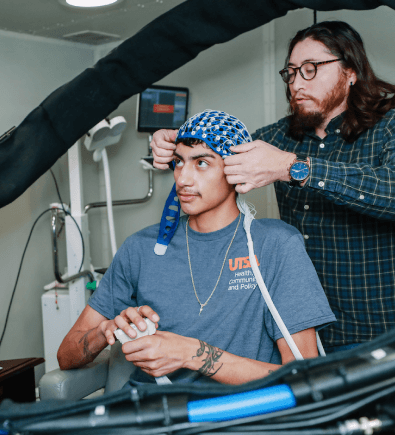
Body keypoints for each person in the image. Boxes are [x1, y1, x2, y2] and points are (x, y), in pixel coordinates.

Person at [151, 21, 395, 354]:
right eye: (290, 73)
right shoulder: (277, 137)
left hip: (390, 331)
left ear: (350, 71)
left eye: (310, 69)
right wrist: (171, 145)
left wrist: (293, 169)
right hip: (306, 333)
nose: (296, 84)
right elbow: (209, 154)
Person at [58, 110, 335, 386]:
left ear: (236, 169)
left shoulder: (275, 246)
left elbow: (304, 377)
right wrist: (106, 332)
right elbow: (66, 356)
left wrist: (192, 354)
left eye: (202, 163)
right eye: (178, 162)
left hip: (235, 416)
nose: (183, 179)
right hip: (152, 415)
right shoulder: (140, 248)